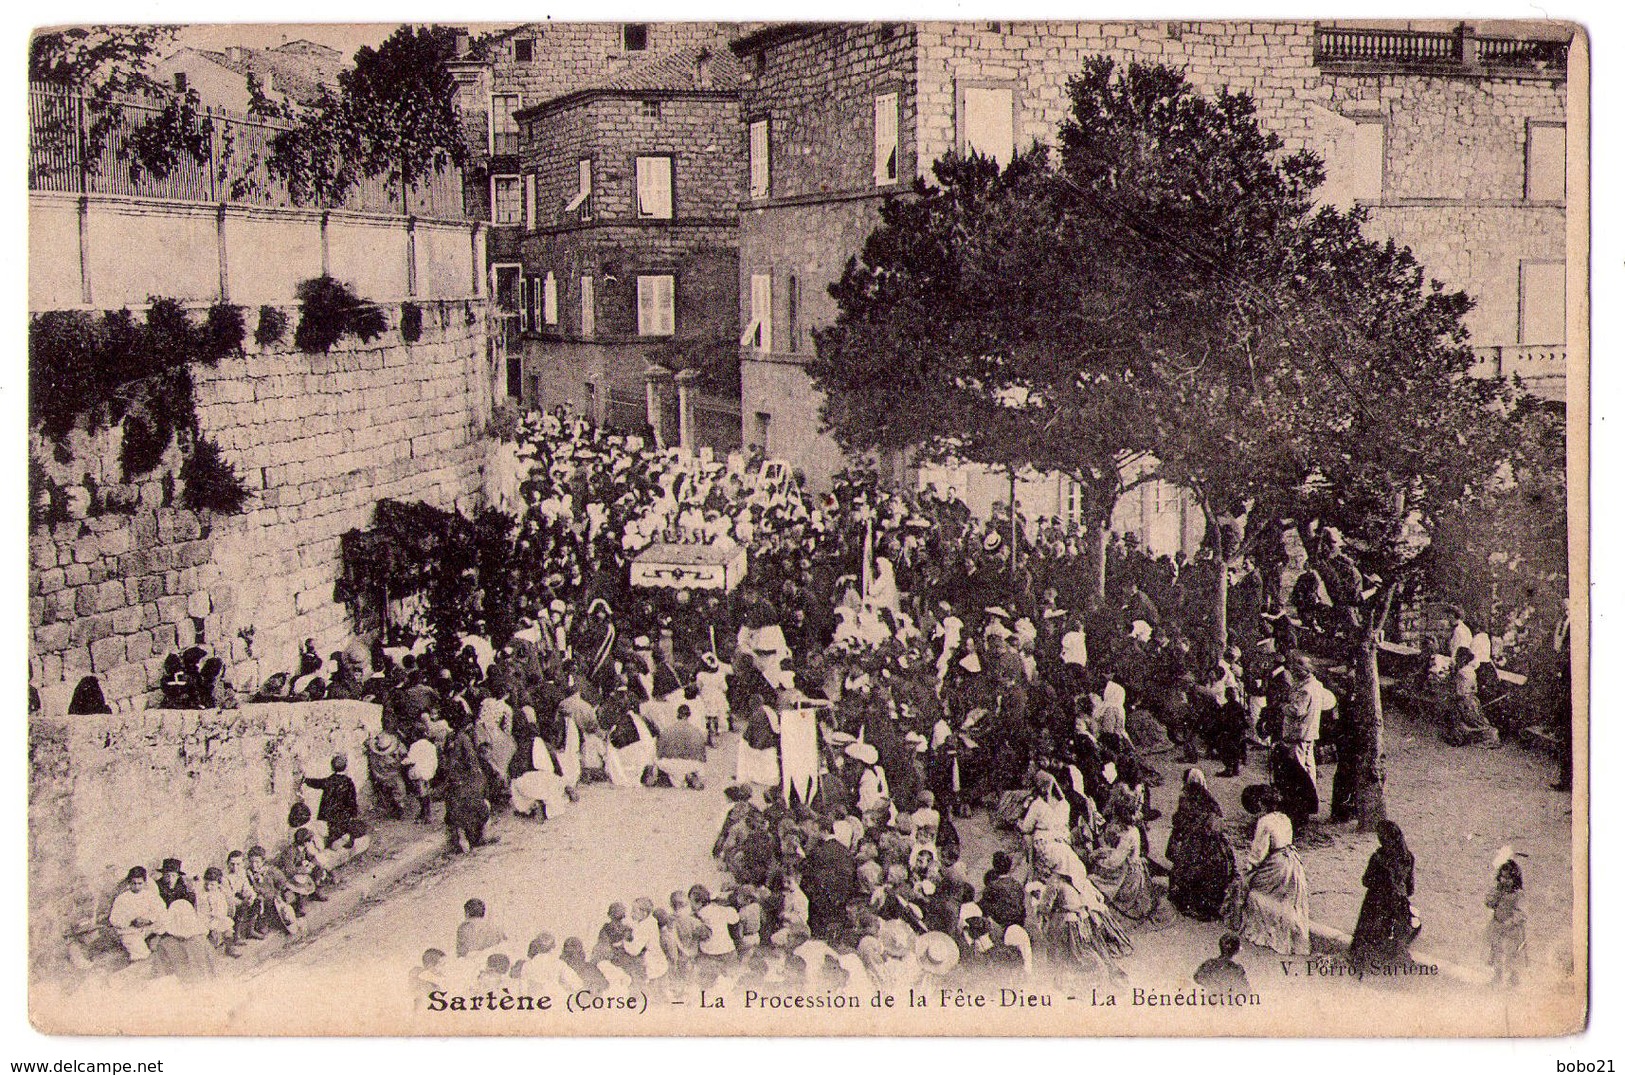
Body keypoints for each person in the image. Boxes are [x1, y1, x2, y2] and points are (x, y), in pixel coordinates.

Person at [1229, 788, 1311, 955]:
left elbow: (1259, 853)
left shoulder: (1264, 822)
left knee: (1251, 890)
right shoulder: (1285, 818)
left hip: (1276, 864)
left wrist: (1248, 869)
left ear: (1261, 804)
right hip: (1292, 861)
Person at [1165, 768, 1237, 922]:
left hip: (1195, 843)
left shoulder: (1185, 797)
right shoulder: (1209, 799)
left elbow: (1179, 821)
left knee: (1186, 866)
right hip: (1213, 844)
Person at [1348, 820, 1418, 972]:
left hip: (1376, 902)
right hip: (1399, 903)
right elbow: (1410, 889)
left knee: (1368, 936)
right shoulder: (1408, 858)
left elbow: (1366, 881)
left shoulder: (1378, 858)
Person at [108, 866, 167, 962]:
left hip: (148, 928)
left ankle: (154, 938)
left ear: (144, 883)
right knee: (142, 954)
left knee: (162, 924)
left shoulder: (150, 896)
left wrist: (148, 920)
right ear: (129, 883)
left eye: (140, 883)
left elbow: (161, 911)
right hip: (131, 931)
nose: (137, 887)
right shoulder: (122, 898)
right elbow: (114, 919)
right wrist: (131, 922)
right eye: (133, 883)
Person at [303, 754, 363, 849]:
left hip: (329, 815)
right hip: (343, 814)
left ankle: (334, 842)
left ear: (332, 767)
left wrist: (305, 780)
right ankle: (343, 840)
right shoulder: (348, 782)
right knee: (342, 829)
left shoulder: (329, 781)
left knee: (332, 831)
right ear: (345, 767)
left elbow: (317, 783)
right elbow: (352, 800)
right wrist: (353, 814)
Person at [1486, 855, 1528, 987]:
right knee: (1496, 953)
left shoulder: (1518, 895)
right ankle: (1497, 977)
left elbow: (1522, 913)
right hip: (1497, 926)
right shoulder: (1499, 891)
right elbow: (1489, 903)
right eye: (1502, 877)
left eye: (1508, 878)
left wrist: (1511, 921)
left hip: (1512, 931)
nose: (1505, 881)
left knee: (1510, 956)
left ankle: (1513, 980)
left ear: (1515, 879)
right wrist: (1496, 894)